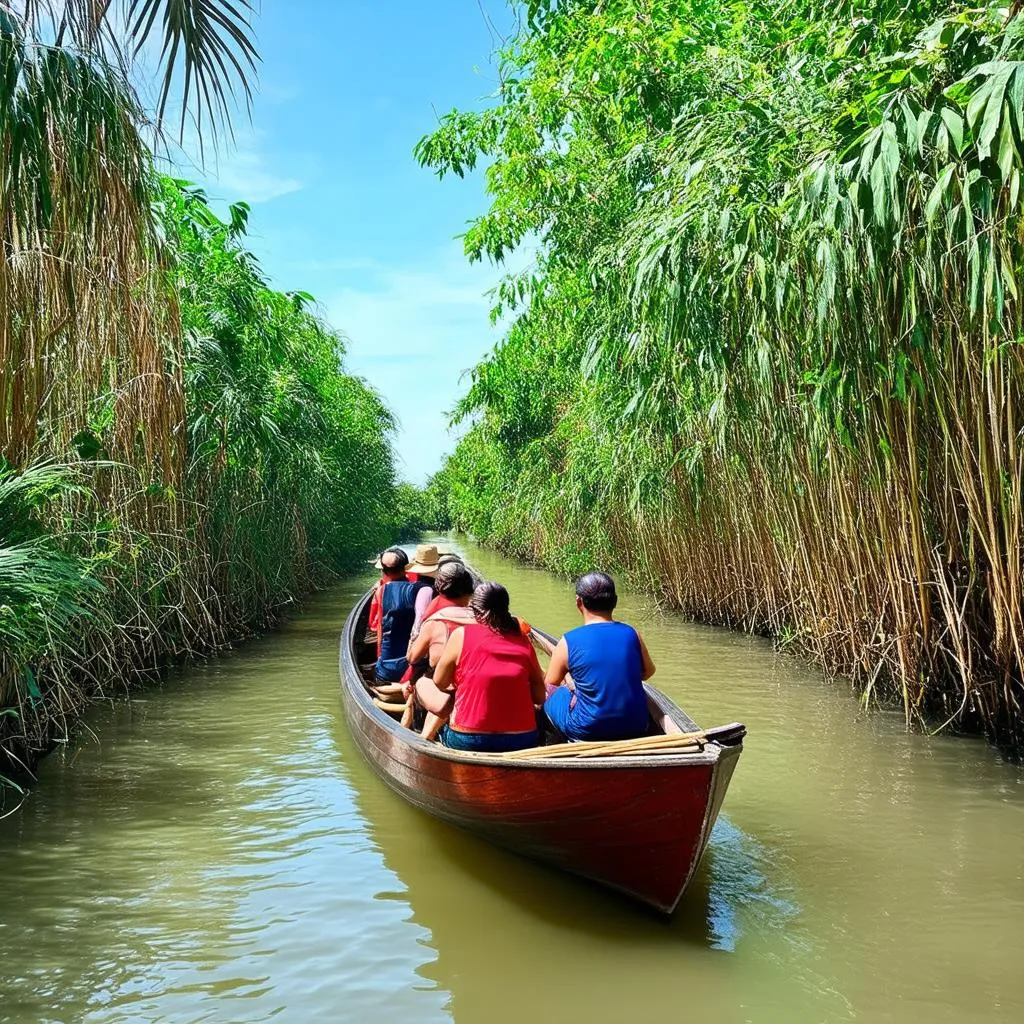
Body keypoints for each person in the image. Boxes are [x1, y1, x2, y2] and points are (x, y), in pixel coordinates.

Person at [421, 581, 546, 753]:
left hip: (469, 739)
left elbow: (440, 682)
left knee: (422, 683)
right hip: (523, 740)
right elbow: (539, 697)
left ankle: (424, 739)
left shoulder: (462, 635)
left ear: (475, 611)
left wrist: (461, 685)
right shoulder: (524, 641)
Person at [542, 571, 655, 741]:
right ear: (615, 601)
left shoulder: (568, 641)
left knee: (552, 695)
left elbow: (550, 685)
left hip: (587, 729)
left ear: (578, 602)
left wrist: (571, 686)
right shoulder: (632, 633)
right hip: (636, 725)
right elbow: (648, 672)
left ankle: (552, 741)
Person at [375, 545, 439, 682]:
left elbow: (380, 629)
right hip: (413, 666)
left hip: (386, 668)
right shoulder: (420, 590)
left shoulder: (381, 591)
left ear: (385, 572)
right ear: (406, 568)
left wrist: (379, 658)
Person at [368, 547, 414, 653]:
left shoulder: (381, 591)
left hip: (389, 648)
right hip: (409, 646)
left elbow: (375, 625)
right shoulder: (416, 588)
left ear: (384, 571)